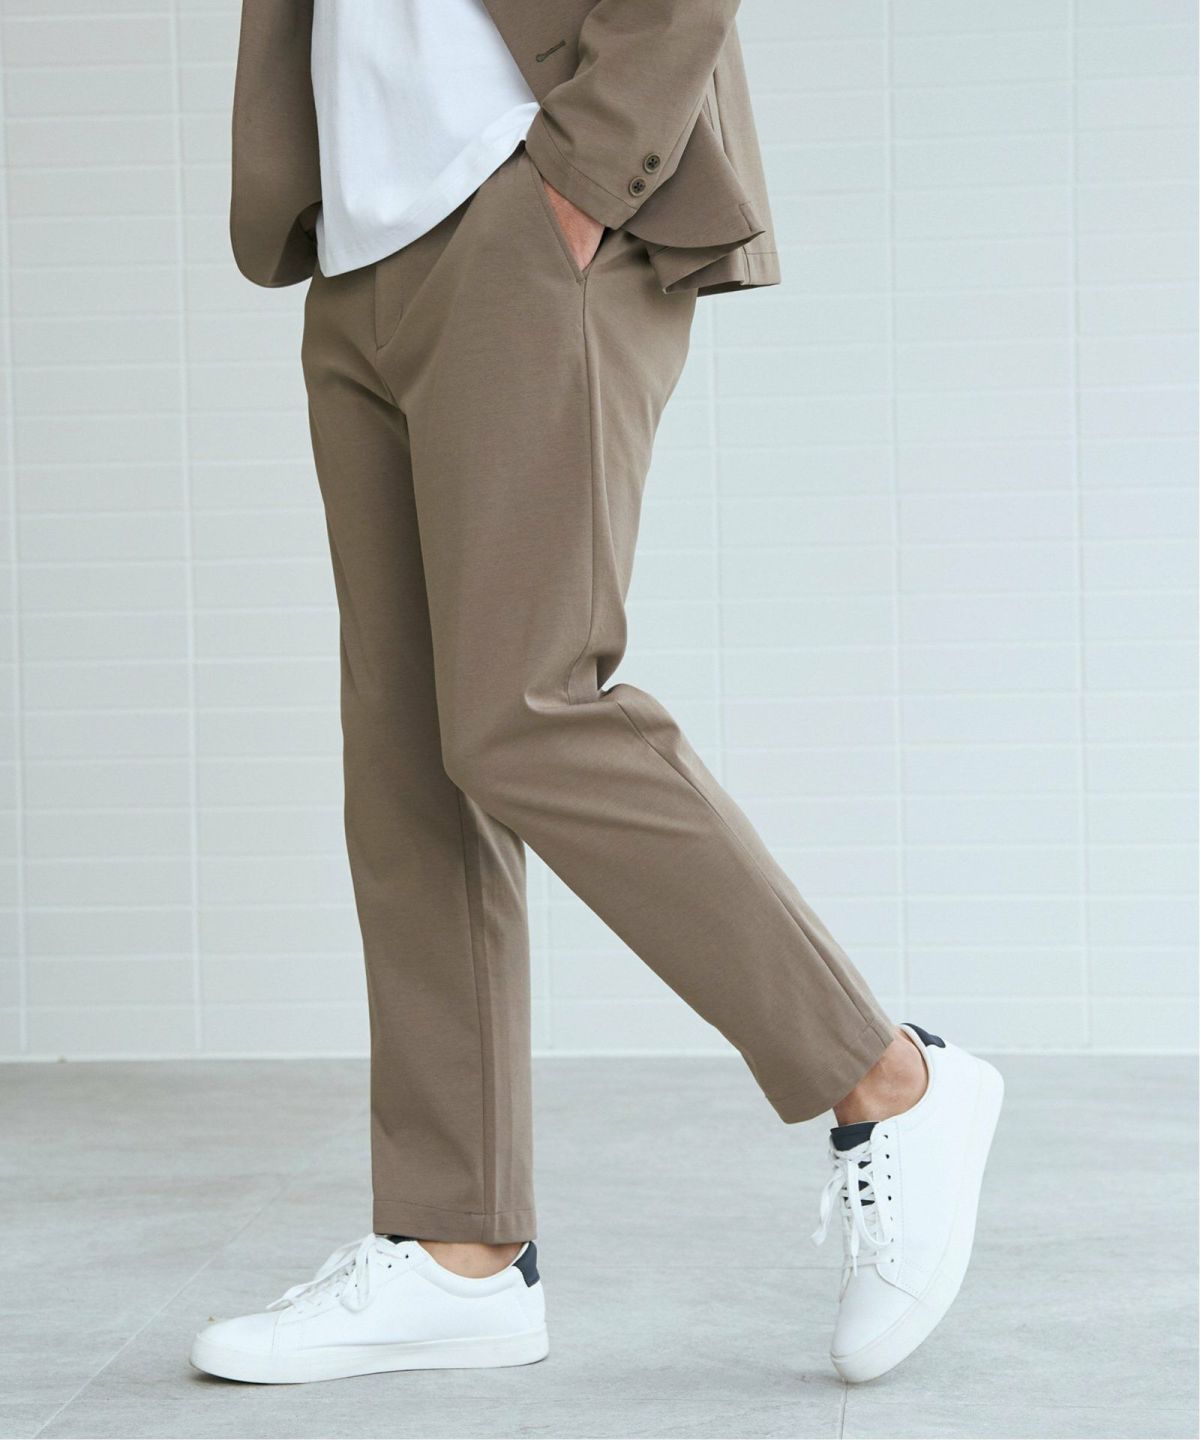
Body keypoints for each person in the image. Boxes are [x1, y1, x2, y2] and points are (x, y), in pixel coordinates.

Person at [190, 0, 1003, 1389]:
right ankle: (457, 1254)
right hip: (363, 240)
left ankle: (889, 1081)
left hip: (526, 198)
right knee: (406, 757)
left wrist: (582, 173)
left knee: (529, 709)